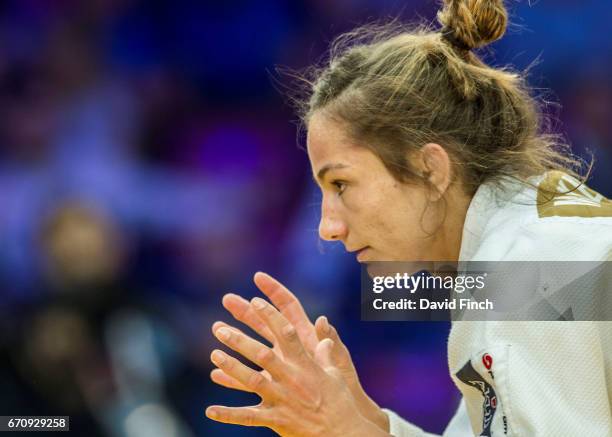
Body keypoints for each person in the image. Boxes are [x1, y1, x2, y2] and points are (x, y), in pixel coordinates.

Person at [205, 0, 612, 435]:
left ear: (431, 170)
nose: (328, 227)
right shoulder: (521, 240)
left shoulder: (529, 271)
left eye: (341, 185)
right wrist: (371, 423)